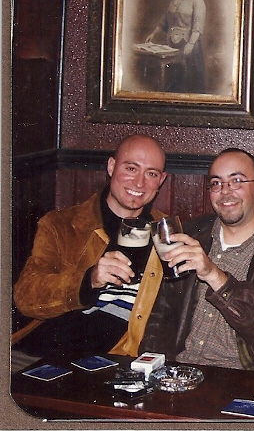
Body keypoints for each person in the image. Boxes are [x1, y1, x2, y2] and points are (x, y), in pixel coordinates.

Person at [140, 148, 254, 371]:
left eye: (236, 181)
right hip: (177, 371)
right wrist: (150, 370)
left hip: (236, 377)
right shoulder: (189, 235)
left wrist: (215, 276)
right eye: (216, 183)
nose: (225, 192)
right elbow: (161, 317)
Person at [13, 134, 168, 358]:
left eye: (151, 174)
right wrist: (89, 280)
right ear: (111, 166)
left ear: (161, 180)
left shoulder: (167, 232)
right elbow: (26, 297)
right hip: (51, 349)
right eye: (131, 169)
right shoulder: (62, 225)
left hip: (118, 356)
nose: (139, 183)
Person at [146, 0, 206, 93]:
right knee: (172, 79)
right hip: (172, 44)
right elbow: (164, 20)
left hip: (189, 45)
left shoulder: (197, 1)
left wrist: (190, 44)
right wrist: (153, 34)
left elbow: (198, 26)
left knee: (187, 82)